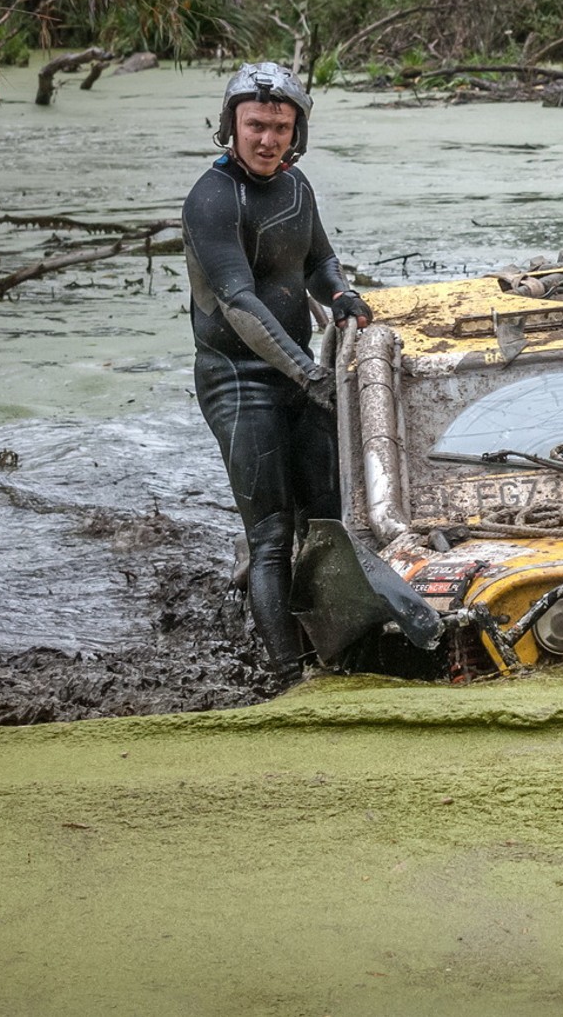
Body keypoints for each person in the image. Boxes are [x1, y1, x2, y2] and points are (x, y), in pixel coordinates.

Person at [182, 62, 372, 681]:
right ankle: (287, 675)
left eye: (280, 128)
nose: (267, 140)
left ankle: (343, 651)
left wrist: (341, 295)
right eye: (256, 126)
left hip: (297, 377)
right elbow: (238, 304)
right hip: (239, 381)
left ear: (298, 133)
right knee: (269, 538)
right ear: (230, 128)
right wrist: (308, 376)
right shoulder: (211, 200)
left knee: (328, 517)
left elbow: (320, 261)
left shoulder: (297, 189)